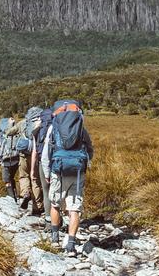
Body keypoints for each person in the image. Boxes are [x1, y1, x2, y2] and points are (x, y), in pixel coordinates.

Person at [44, 100, 94, 256]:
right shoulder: (81, 128)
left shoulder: (53, 128)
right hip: (77, 171)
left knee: (55, 204)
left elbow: (46, 153)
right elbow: (90, 150)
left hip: (58, 170)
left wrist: (46, 172)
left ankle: (54, 238)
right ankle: (71, 245)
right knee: (74, 209)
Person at [7, 118, 44, 214]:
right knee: (36, 180)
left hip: (23, 155)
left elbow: (9, 132)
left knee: (24, 176)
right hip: (35, 155)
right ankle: (38, 206)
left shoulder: (23, 122)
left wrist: (11, 124)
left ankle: (26, 193)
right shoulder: (42, 123)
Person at [32, 108, 53, 224]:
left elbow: (35, 152)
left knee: (46, 192)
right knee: (58, 192)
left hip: (42, 163)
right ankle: (61, 219)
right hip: (57, 163)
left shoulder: (37, 131)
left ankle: (49, 221)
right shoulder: (57, 127)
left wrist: (32, 170)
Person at [0, 117, 19, 203]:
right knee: (12, 178)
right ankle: (16, 195)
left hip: (5, 161)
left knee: (7, 181)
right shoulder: (16, 132)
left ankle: (12, 199)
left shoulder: (2, 135)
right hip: (16, 159)